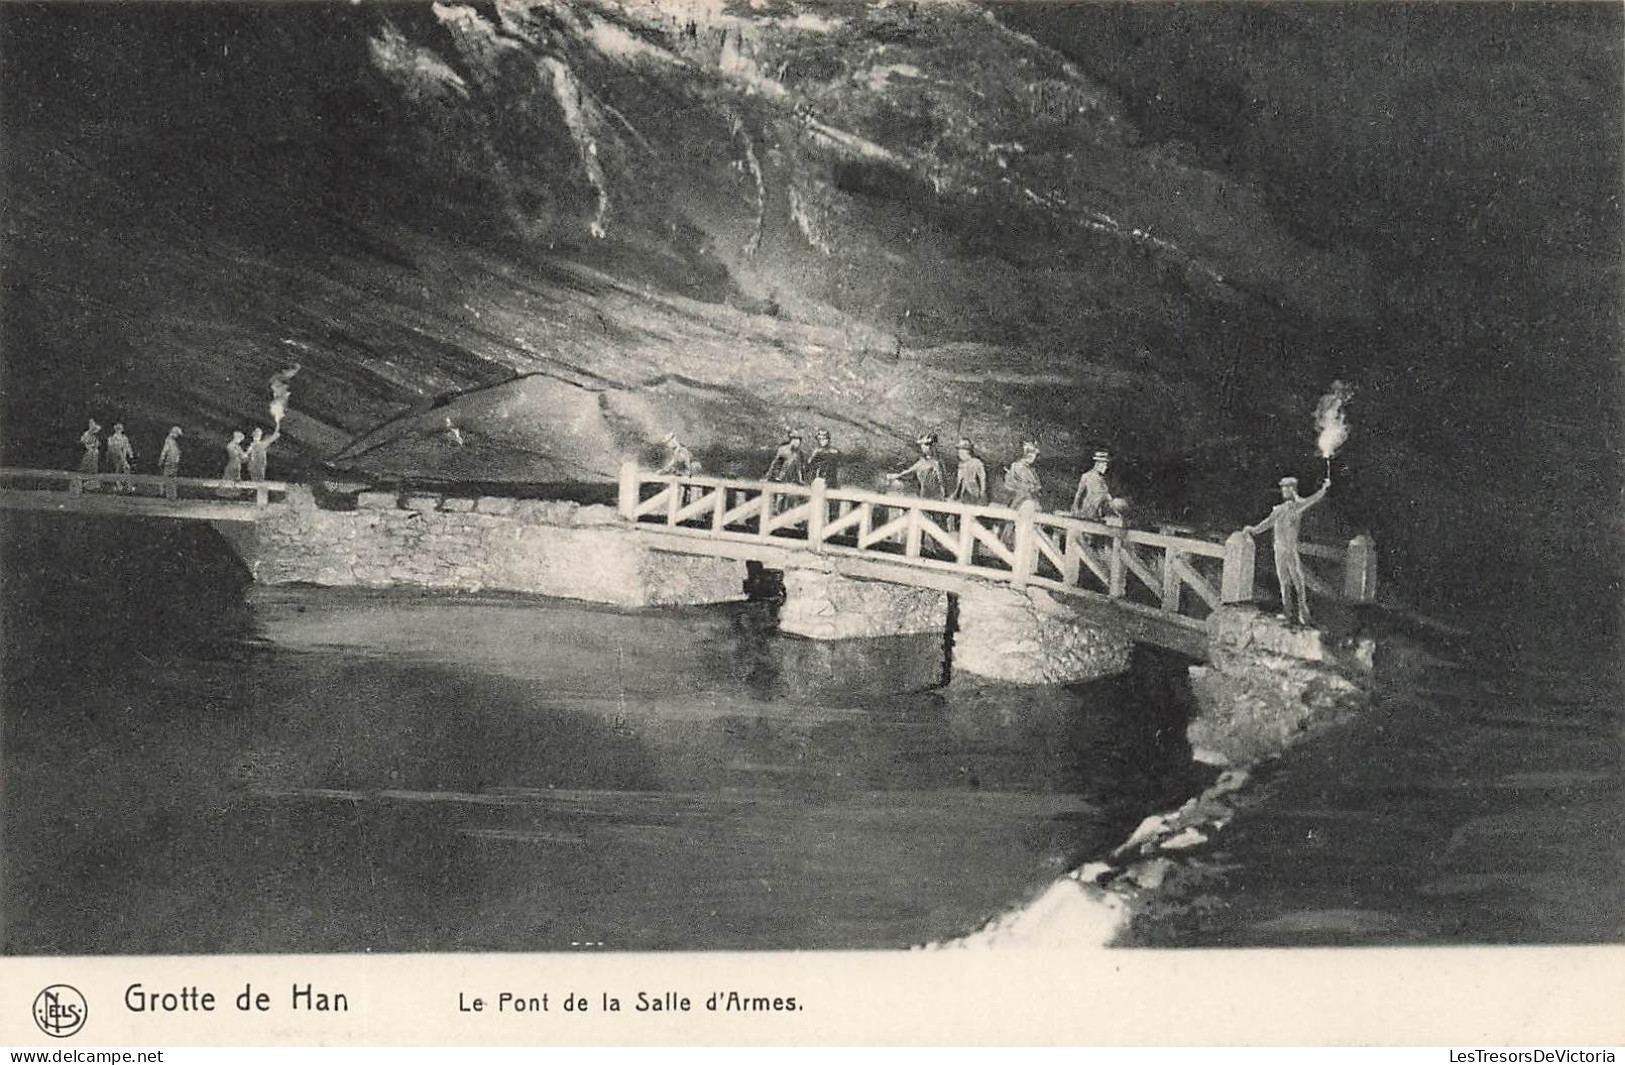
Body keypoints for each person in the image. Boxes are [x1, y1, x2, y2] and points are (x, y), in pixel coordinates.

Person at [1244, 472, 1332, 626]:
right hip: (1279, 550)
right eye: (1283, 488)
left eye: (1286, 488)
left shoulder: (1298, 506)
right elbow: (1267, 523)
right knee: (1284, 581)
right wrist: (1253, 529)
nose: (1283, 491)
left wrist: (1324, 488)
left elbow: (1314, 499)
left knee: (1298, 581)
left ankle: (1303, 614)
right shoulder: (1279, 509)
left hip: (1290, 550)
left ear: (1292, 489)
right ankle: (1288, 613)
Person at [887, 433, 946, 499]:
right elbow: (909, 471)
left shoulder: (936, 463)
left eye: (930, 445)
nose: (928, 447)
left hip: (934, 499)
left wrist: (943, 495)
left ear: (934, 446)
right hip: (924, 497)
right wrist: (896, 476)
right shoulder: (922, 461)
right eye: (925, 445)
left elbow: (942, 483)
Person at [1071, 450, 1124, 520]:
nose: (1105, 467)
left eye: (1106, 465)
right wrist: (1075, 508)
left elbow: (1109, 499)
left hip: (1098, 515)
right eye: (1104, 464)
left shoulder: (1103, 482)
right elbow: (1078, 495)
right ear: (1098, 464)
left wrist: (1118, 514)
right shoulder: (1086, 476)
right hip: (1086, 513)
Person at [1002, 441, 1043, 508]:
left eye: (1034, 453)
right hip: (1021, 500)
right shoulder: (1018, 466)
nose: (1032, 456)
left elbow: (1037, 486)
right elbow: (1016, 485)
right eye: (1030, 453)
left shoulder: (1031, 470)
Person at [951, 438, 987, 504]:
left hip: (973, 492)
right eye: (959, 452)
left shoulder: (976, 462)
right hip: (963, 492)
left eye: (961, 452)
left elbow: (982, 477)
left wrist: (982, 491)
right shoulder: (961, 464)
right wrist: (955, 494)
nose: (959, 454)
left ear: (967, 452)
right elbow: (959, 481)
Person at [106, 423, 135, 492]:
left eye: (120, 429)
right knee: (118, 470)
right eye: (118, 429)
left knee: (126, 470)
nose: (119, 430)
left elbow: (128, 446)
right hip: (115, 457)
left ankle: (128, 486)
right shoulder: (112, 438)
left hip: (123, 457)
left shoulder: (124, 438)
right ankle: (118, 486)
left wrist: (131, 454)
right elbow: (111, 448)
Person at [219, 430, 249, 497]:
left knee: (236, 479)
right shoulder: (230, 445)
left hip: (237, 464)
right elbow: (234, 454)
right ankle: (226, 494)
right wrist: (242, 455)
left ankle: (234, 495)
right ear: (236, 438)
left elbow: (242, 455)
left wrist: (245, 455)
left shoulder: (238, 447)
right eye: (239, 439)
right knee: (230, 478)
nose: (240, 441)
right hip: (232, 464)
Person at [158, 427, 183, 499]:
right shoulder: (170, 441)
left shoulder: (172, 442)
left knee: (170, 479)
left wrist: (161, 460)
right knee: (171, 479)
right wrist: (162, 460)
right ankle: (171, 496)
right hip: (171, 463)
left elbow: (165, 452)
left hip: (172, 463)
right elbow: (165, 451)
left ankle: (171, 495)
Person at [77, 419, 102, 490]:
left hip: (93, 453)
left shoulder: (95, 437)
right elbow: (83, 443)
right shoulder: (86, 434)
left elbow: (98, 444)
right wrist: (89, 447)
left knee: (94, 464)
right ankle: (86, 482)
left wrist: (94, 446)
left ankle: (93, 483)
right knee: (88, 464)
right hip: (87, 453)